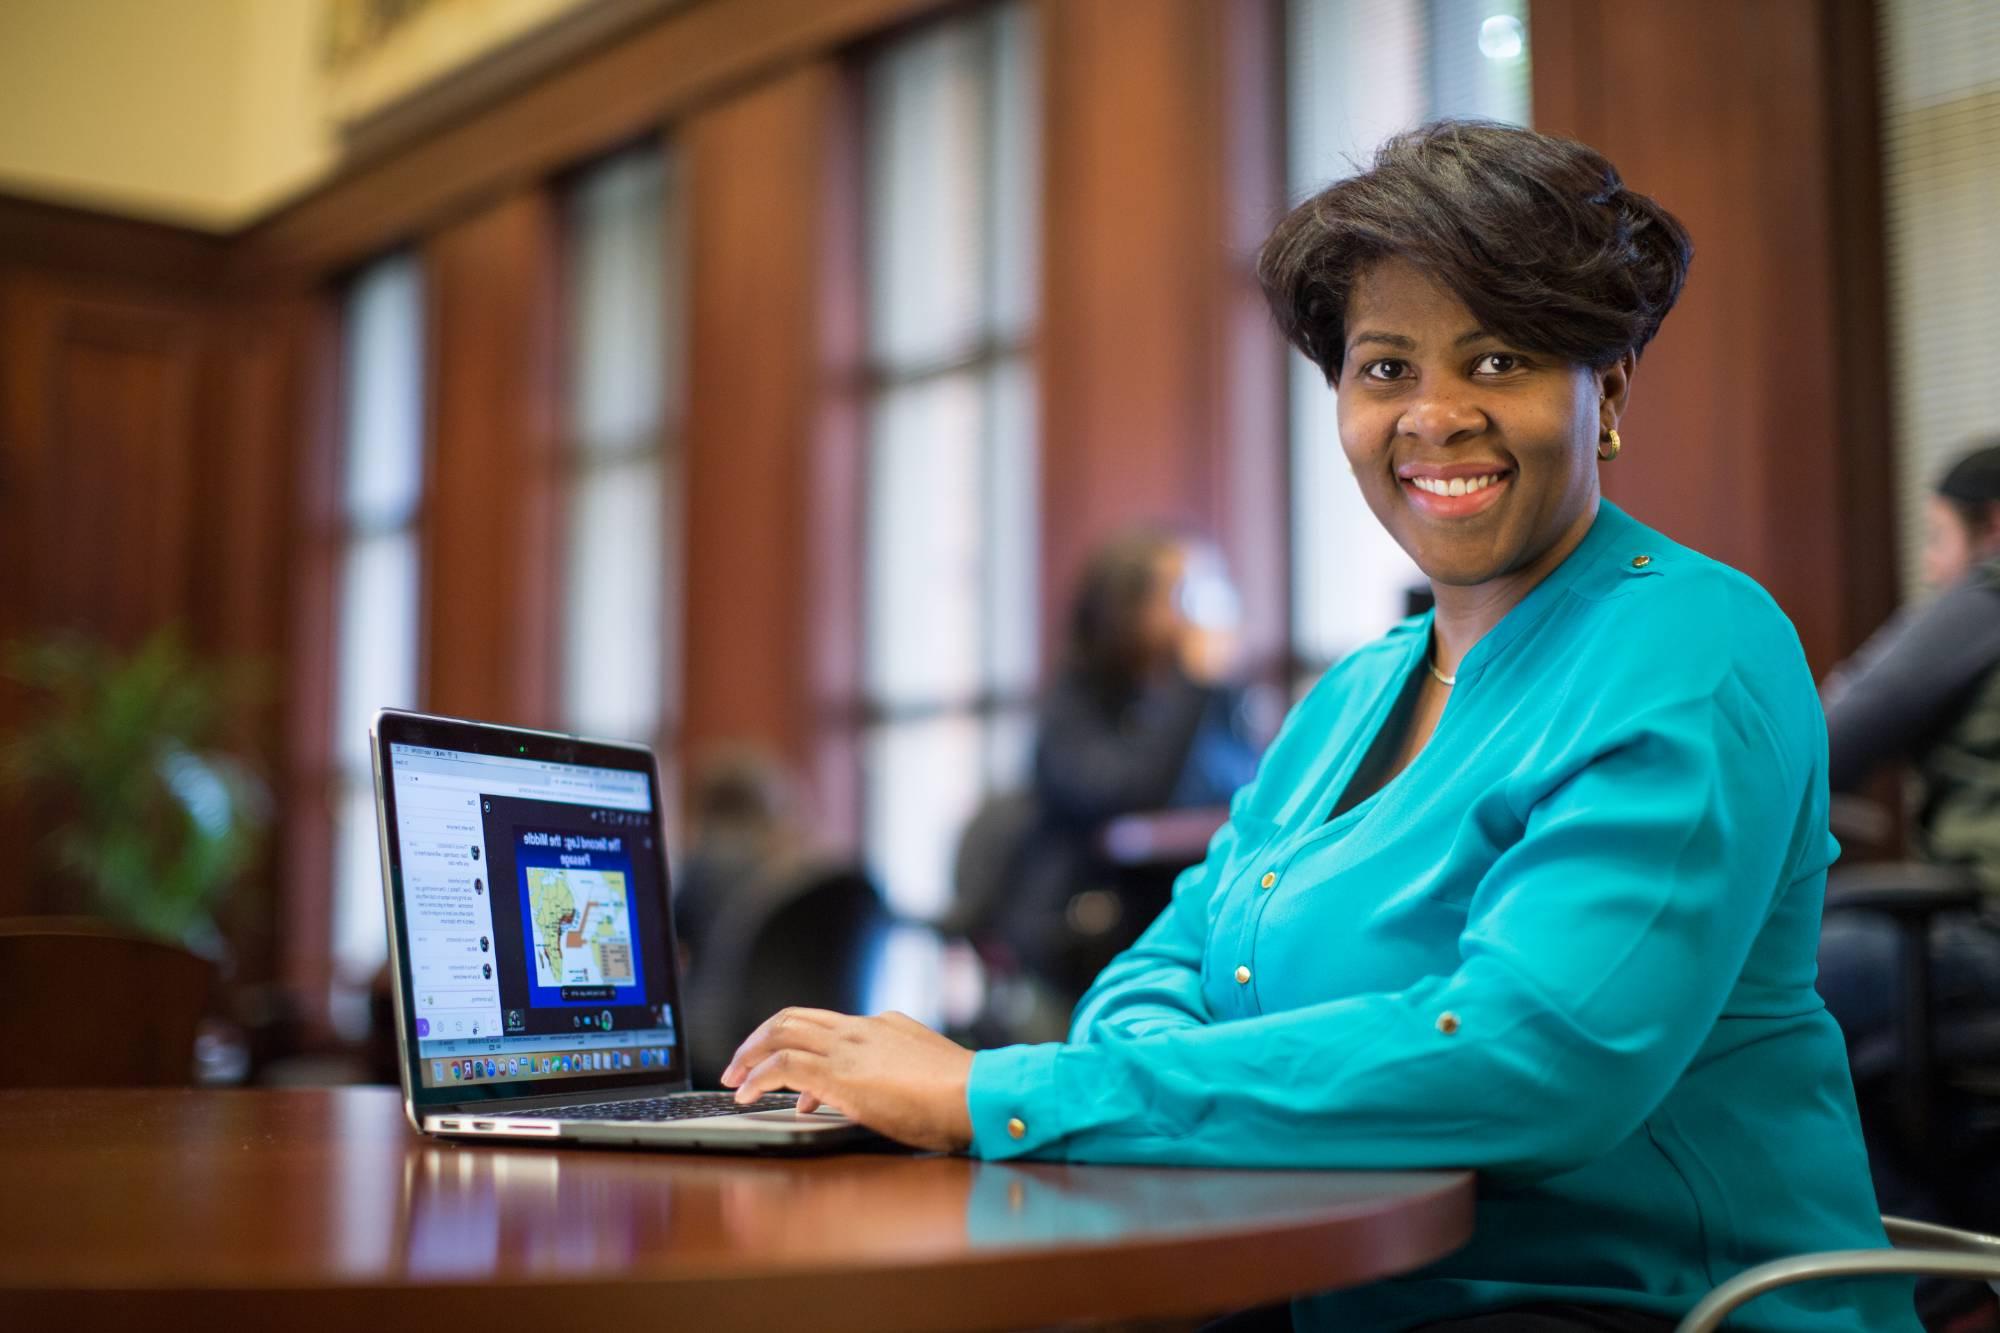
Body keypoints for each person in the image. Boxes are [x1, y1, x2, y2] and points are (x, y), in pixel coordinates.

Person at [720, 121, 1915, 1332]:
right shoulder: (1355, 691)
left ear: (1600, 389)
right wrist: (1109, 1076)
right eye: (1384, 368)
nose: (1434, 416)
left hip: (1632, 1304)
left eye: (1497, 359)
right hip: (1324, 1288)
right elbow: (1156, 976)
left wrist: (1004, 1091)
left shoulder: (1687, 646)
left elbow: (1530, 1058)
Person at [1816, 443, 2000, 1195]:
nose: (1932, 567)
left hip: (1986, 943)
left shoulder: (1987, 594)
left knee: (1750, 989)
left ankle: (1933, 1290)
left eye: (1937, 537)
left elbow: (1824, 742)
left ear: (1992, 527)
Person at [992, 529, 1263, 996]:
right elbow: (1133, 792)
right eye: (1178, 595)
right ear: (1127, 608)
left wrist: (1208, 688)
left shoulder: (1213, 698)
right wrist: (1192, 682)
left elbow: (1250, 793)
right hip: (1089, 928)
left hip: (1194, 912)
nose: (1193, 614)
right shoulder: (1076, 704)